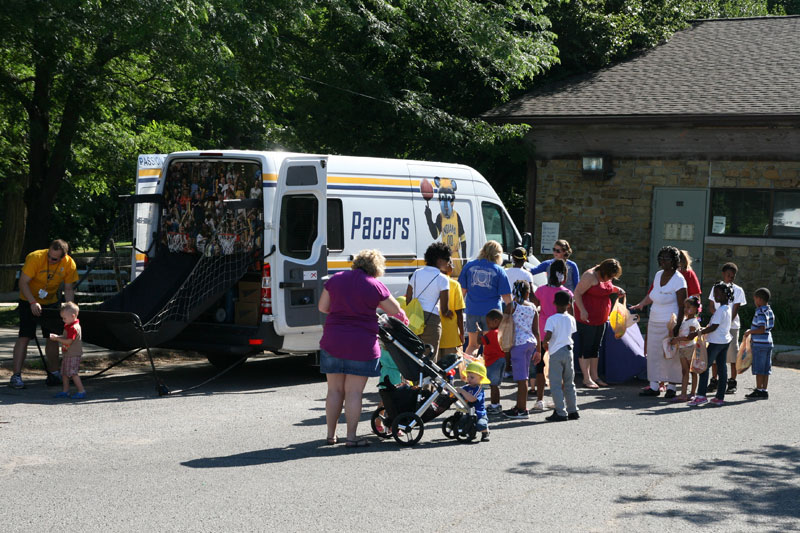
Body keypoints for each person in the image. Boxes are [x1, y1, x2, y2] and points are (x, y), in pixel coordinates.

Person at [318, 249, 403, 447]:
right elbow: (394, 310)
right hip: (361, 343)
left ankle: (331, 435)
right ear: (377, 267)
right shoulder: (374, 285)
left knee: (334, 391)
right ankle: (351, 437)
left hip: (333, 340)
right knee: (354, 393)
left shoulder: (336, 279)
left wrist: (343, 309)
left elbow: (323, 307)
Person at [9, 239, 78, 390]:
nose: (50, 259)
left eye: (54, 259)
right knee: (25, 336)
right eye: (49, 255)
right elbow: (23, 282)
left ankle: (54, 373)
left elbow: (68, 289)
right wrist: (33, 302)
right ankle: (16, 376)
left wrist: (71, 310)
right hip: (28, 299)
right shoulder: (35, 257)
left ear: (63, 257)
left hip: (51, 301)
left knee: (53, 337)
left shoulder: (69, 264)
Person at [632, 246, 687, 398]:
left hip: (669, 323)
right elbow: (653, 294)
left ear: (674, 261)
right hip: (654, 319)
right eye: (660, 258)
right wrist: (642, 304)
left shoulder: (679, 279)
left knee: (670, 354)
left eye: (666, 259)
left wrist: (676, 327)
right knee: (654, 353)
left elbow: (682, 306)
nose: (662, 261)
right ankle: (654, 386)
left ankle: (671, 387)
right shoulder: (658, 275)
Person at [573, 258, 625, 388]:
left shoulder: (607, 277)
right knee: (586, 347)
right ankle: (586, 378)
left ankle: (595, 376)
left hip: (601, 318)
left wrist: (616, 289)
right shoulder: (589, 276)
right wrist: (583, 310)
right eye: (610, 276)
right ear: (603, 271)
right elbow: (577, 293)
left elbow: (607, 288)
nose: (610, 278)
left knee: (596, 347)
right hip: (587, 318)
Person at [531, 258, 573, 410]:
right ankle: (559, 400)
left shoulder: (541, 290)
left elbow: (534, 307)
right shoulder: (567, 293)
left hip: (543, 333)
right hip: (561, 336)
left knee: (541, 367)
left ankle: (540, 400)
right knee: (560, 369)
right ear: (564, 276)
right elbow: (571, 314)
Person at [458, 240, 512, 356]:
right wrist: (511, 314)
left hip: (472, 310)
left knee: (472, 345)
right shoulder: (498, 270)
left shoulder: (469, 266)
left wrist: (458, 310)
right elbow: (507, 297)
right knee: (490, 344)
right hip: (493, 314)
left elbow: (461, 291)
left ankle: (468, 371)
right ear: (497, 255)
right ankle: (485, 372)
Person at [688, 282, 733, 407]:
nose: (715, 296)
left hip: (716, 342)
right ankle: (720, 397)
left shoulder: (720, 310)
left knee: (704, 366)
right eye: (714, 293)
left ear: (725, 295)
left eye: (718, 293)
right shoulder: (727, 308)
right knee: (722, 368)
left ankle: (701, 395)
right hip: (724, 341)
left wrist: (698, 332)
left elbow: (714, 327)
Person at [406, 242, 451, 358]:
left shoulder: (416, 273)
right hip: (431, 321)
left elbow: (408, 299)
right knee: (429, 360)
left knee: (413, 357)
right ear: (439, 260)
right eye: (447, 259)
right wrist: (449, 313)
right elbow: (444, 309)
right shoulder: (443, 279)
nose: (449, 262)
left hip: (414, 319)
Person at [707, 263, 746, 395]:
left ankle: (732, 381)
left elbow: (734, 310)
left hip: (732, 326)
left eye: (733, 276)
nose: (730, 278)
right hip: (716, 325)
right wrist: (717, 319)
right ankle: (714, 379)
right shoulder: (715, 288)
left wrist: (724, 322)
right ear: (723, 274)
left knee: (732, 354)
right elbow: (711, 306)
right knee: (714, 354)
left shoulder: (738, 290)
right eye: (728, 275)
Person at [502, 280, 540, 419]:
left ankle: (522, 409)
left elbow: (504, 326)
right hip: (530, 343)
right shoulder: (533, 307)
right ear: (528, 293)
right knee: (524, 374)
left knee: (521, 378)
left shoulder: (512, 306)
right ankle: (519, 406)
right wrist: (539, 351)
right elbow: (536, 331)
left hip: (517, 344)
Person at [542, 291, 579, 422]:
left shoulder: (551, 319)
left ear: (554, 303)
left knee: (556, 384)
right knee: (569, 382)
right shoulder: (571, 318)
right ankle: (573, 410)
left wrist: (544, 343)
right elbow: (571, 332)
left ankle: (560, 412)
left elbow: (548, 335)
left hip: (556, 352)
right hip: (569, 351)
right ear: (569, 305)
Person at [743, 287, 775, 399]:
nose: (755, 302)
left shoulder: (760, 312)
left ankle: (759, 389)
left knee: (759, 368)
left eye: (755, 299)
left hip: (759, 344)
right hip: (768, 343)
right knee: (766, 368)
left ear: (760, 299)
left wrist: (750, 332)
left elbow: (762, 328)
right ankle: (764, 389)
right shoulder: (769, 310)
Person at [49, 302, 86, 399]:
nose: (63, 320)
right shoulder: (69, 326)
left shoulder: (73, 328)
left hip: (73, 354)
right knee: (65, 373)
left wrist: (57, 339)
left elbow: (69, 341)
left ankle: (81, 390)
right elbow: (65, 337)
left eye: (64, 318)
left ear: (73, 316)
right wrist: (58, 337)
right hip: (68, 354)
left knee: (73, 373)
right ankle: (65, 391)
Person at [669, 296, 701, 402]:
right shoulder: (684, 321)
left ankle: (692, 393)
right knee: (684, 371)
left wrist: (677, 339)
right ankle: (683, 393)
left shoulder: (693, 322)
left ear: (696, 309)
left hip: (690, 348)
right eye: (685, 307)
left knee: (693, 371)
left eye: (689, 307)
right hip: (682, 348)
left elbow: (690, 337)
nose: (686, 309)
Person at [438, 260, 465, 365]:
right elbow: (459, 312)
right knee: (449, 367)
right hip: (450, 333)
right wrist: (462, 333)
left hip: (432, 331)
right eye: (452, 265)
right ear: (447, 266)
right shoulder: (454, 284)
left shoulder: (432, 281)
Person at [480, 309, 506, 415]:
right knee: (496, 384)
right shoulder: (503, 332)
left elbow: (481, 341)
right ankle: (496, 404)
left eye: (488, 322)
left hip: (493, 361)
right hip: (502, 360)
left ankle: (494, 405)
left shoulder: (492, 333)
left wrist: (479, 332)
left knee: (493, 385)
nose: (488, 325)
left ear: (495, 321)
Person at [460, 361, 491, 442]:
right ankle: (469, 433)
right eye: (468, 376)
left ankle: (485, 432)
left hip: (479, 413)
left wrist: (462, 392)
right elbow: (458, 391)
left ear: (480, 378)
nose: (469, 379)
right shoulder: (466, 387)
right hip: (469, 412)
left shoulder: (479, 389)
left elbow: (472, 399)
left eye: (472, 377)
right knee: (462, 420)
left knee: (480, 424)